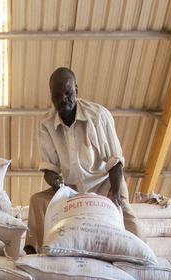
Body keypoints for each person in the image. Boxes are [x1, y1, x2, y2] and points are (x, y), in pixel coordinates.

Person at [27, 67, 138, 251]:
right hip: (71, 192)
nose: (64, 99)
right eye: (57, 95)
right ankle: (33, 252)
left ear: (76, 90)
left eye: (68, 93)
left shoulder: (98, 116)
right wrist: (55, 181)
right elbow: (49, 169)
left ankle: (141, 256)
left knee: (124, 213)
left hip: (105, 184)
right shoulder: (46, 125)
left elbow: (115, 162)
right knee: (37, 201)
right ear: (51, 97)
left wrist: (114, 195)